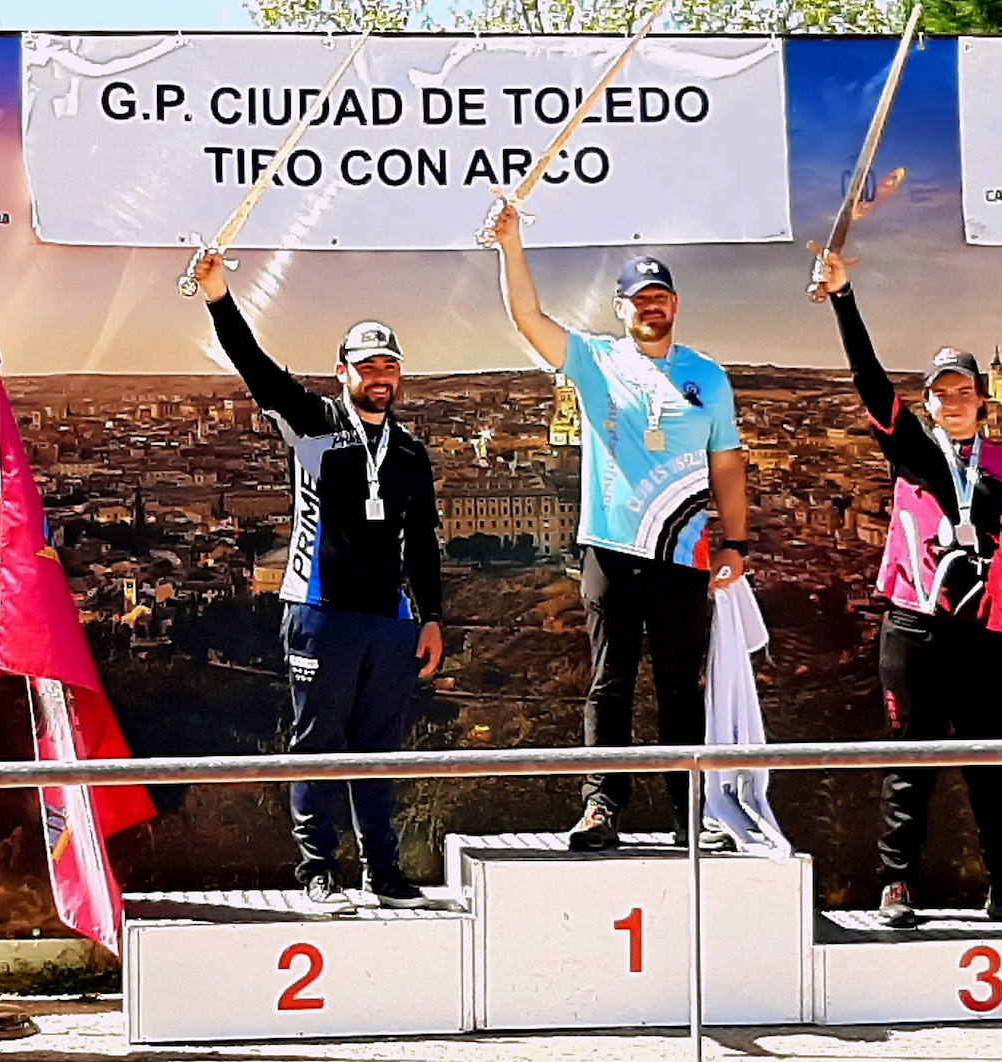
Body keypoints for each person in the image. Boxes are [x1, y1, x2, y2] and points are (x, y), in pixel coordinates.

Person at [812, 246, 1002, 927]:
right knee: (910, 765)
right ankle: (897, 884)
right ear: (925, 404)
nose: (953, 403)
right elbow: (869, 383)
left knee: (993, 768)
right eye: (940, 394)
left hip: (988, 636)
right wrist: (844, 298)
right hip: (915, 631)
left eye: (964, 393)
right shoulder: (915, 454)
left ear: (983, 403)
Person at [490, 201, 750, 851]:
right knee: (610, 682)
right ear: (620, 308)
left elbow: (728, 463)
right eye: (639, 299)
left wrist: (738, 543)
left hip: (685, 552)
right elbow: (528, 318)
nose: (650, 307)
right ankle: (601, 808)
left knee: (678, 691)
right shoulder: (594, 361)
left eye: (660, 297)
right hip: (610, 548)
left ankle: (688, 814)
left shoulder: (709, 376)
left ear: (675, 305)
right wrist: (510, 247)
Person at [193, 252, 444, 912]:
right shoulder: (313, 421)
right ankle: (317, 869)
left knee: (379, 751)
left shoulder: (412, 452)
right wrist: (218, 296)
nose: (380, 378)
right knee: (318, 744)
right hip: (318, 608)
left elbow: (422, 540)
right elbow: (256, 369)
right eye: (367, 367)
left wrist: (432, 617)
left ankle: (383, 870)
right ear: (344, 373)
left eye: (389, 366)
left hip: (389, 619)